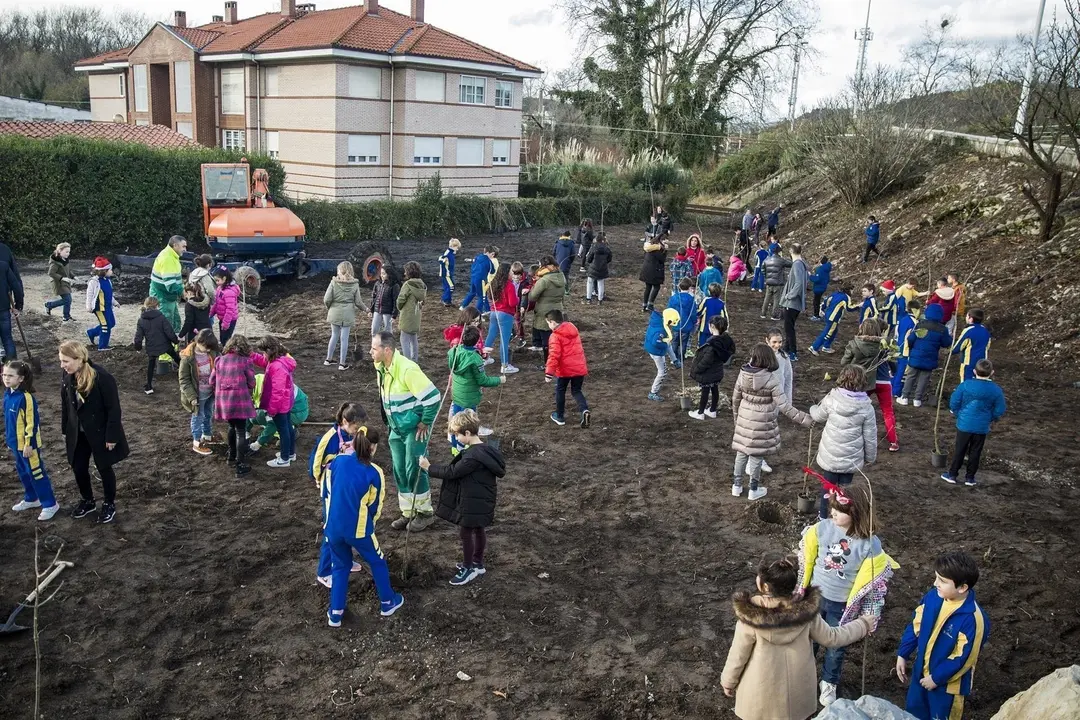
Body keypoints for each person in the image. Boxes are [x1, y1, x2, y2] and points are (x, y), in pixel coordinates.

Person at [720, 553, 875, 720]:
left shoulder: (750, 620)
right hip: (797, 697)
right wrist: (863, 624)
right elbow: (833, 637)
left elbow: (738, 656)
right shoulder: (807, 615)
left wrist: (728, 682)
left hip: (760, 698)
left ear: (764, 586)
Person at [798, 483, 896, 707]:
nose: (833, 513)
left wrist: (871, 614)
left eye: (839, 510)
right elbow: (808, 559)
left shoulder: (869, 544)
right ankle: (805, 674)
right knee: (808, 640)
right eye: (832, 508)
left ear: (855, 513)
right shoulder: (822, 528)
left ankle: (829, 682)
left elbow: (874, 583)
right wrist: (800, 590)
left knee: (836, 647)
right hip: (815, 597)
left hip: (842, 605)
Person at [324, 422, 405, 626]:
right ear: (373, 447)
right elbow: (374, 506)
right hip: (358, 529)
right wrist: (370, 526)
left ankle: (335, 613)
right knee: (377, 561)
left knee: (340, 566)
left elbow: (328, 492)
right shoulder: (374, 472)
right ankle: (388, 602)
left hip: (332, 528)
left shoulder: (337, 462)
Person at [896, 551, 989, 720]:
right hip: (920, 676)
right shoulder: (932, 597)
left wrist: (936, 678)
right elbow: (916, 625)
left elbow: (964, 658)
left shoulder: (973, 619)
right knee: (913, 713)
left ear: (962, 587)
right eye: (936, 577)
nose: (935, 583)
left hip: (946, 687)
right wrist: (903, 653)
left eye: (942, 581)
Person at [420, 408, 506, 586]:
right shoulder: (486, 450)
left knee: (465, 532)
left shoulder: (472, 456)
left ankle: (468, 568)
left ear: (467, 433)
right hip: (482, 500)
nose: (456, 439)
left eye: (457, 435)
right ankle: (478, 563)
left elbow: (452, 472)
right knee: (478, 530)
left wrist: (429, 467)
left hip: (472, 502)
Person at [371, 330, 441, 531]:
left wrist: (425, 422)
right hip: (395, 428)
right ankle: (408, 512)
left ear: (387, 350)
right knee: (400, 470)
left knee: (415, 469)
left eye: (374, 348)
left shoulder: (408, 370)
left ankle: (425, 513)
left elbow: (433, 397)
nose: (370, 352)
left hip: (412, 430)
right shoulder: (381, 367)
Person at [58, 341, 129, 523]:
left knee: (104, 468)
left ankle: (109, 503)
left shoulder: (102, 377)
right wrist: (66, 428)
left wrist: (112, 436)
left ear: (79, 359)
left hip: (100, 432)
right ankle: (88, 500)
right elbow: (66, 404)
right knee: (79, 467)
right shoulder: (68, 376)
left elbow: (113, 409)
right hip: (78, 433)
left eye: (66, 361)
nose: (62, 365)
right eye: (61, 361)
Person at [731, 343, 811, 500]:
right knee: (756, 456)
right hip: (762, 422)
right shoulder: (772, 379)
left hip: (744, 419)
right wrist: (806, 419)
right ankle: (753, 490)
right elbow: (784, 406)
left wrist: (736, 419)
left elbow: (735, 399)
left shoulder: (743, 374)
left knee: (741, 453)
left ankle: (737, 486)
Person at [809, 365, 877, 517]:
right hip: (851, 458)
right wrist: (870, 457)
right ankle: (843, 518)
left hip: (830, 455)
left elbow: (818, 416)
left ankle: (824, 517)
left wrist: (813, 408)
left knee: (828, 488)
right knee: (846, 490)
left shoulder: (831, 399)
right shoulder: (866, 407)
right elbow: (870, 436)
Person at [311, 402, 361, 588]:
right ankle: (324, 572)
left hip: (346, 488)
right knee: (332, 530)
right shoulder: (330, 437)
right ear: (345, 421)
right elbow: (316, 461)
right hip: (331, 488)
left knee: (347, 525)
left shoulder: (353, 434)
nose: (358, 430)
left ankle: (345, 562)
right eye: (356, 426)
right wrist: (318, 479)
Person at [4, 361, 59, 521]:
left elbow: (32, 423)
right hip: (15, 444)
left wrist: (29, 444)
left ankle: (50, 504)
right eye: (4, 374)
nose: (6, 378)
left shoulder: (26, 398)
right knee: (23, 471)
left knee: (36, 473)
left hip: (28, 446)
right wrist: (11, 441)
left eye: (10, 375)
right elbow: (10, 421)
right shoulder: (8, 394)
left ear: (21, 378)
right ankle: (32, 498)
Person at [942, 359, 1006, 487]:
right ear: (992, 372)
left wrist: (957, 413)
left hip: (964, 424)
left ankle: (952, 474)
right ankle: (970, 478)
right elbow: (1000, 409)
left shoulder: (965, 385)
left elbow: (954, 401)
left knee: (959, 449)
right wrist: (991, 418)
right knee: (976, 451)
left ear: (974, 371)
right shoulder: (996, 390)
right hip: (981, 426)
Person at [841, 319, 900, 453]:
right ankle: (893, 442)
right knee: (887, 412)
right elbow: (894, 364)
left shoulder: (854, 344)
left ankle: (852, 438)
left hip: (863, 382)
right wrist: (893, 372)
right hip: (883, 382)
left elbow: (844, 363)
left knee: (856, 410)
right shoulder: (885, 345)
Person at [448, 325, 506, 454]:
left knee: (456, 420)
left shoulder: (454, 351)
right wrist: (499, 380)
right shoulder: (475, 359)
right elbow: (483, 380)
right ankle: (465, 449)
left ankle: (455, 447)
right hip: (469, 398)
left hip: (457, 394)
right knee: (468, 424)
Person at [212, 334, 257, 477]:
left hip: (224, 401)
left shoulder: (219, 360)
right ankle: (240, 464)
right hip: (240, 401)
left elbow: (212, 380)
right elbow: (252, 383)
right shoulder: (245, 361)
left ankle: (231, 456)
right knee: (240, 431)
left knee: (231, 427)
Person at [251, 336, 297, 468]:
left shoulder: (276, 367)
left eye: (263, 353)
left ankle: (284, 459)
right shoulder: (280, 360)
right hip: (286, 403)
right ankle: (290, 453)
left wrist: (272, 409)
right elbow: (264, 362)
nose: (262, 355)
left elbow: (277, 392)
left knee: (283, 430)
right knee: (288, 427)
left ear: (269, 351)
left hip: (279, 406)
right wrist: (252, 355)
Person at [898, 303, 951, 407]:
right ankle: (917, 399)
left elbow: (911, 339)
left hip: (916, 355)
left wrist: (911, 348)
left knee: (911, 376)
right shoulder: (942, 329)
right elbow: (946, 343)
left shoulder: (920, 324)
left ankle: (904, 397)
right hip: (930, 357)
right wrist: (950, 338)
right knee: (924, 378)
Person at [544, 309, 590, 427]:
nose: (548, 326)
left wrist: (549, 372)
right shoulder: (572, 328)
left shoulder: (555, 336)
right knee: (576, 391)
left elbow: (554, 355)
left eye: (548, 323)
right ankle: (584, 410)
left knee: (560, 390)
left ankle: (559, 416)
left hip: (565, 370)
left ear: (553, 322)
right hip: (579, 367)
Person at [178, 329, 220, 457]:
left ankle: (207, 436)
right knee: (198, 416)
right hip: (197, 395)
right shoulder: (188, 358)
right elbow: (184, 380)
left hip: (210, 392)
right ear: (199, 342)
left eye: (209, 348)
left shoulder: (213, 353)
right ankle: (197, 442)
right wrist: (192, 397)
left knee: (208, 413)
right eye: (205, 347)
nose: (207, 350)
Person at [248, 374, 309, 454]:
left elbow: (272, 421)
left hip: (297, 412)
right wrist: (245, 433)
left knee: (259, 416)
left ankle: (290, 435)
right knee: (254, 413)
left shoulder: (267, 392)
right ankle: (289, 431)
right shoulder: (258, 381)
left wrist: (258, 443)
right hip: (292, 408)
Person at [689, 315, 735, 420]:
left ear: (712, 326)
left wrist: (697, 369)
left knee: (705, 391)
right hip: (718, 372)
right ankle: (712, 410)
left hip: (708, 373)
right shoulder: (726, 341)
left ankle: (700, 413)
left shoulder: (712, 344)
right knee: (715, 389)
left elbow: (706, 361)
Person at [322, 261, 365, 370]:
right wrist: (366, 309)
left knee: (334, 335)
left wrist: (330, 308)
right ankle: (342, 364)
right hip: (348, 313)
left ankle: (328, 359)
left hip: (334, 311)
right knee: (344, 339)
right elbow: (358, 302)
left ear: (339, 271)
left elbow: (327, 299)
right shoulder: (355, 284)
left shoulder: (333, 283)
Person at [134, 297, 180, 395]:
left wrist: (138, 347)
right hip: (165, 345)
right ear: (157, 306)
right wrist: (175, 341)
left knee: (151, 365)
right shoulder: (161, 317)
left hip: (151, 347)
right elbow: (169, 331)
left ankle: (149, 386)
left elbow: (138, 336)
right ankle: (184, 372)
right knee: (176, 357)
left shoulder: (141, 320)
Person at [525, 256, 565, 362]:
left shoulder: (544, 281)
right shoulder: (562, 277)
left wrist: (532, 287)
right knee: (556, 336)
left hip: (544, 311)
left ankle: (549, 362)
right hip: (557, 309)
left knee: (546, 339)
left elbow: (532, 296)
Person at [483, 263, 518, 374]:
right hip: (505, 314)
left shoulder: (494, 283)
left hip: (493, 313)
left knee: (491, 335)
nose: (512, 274)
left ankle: (484, 358)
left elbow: (489, 297)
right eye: (511, 272)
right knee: (504, 340)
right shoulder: (509, 285)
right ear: (507, 273)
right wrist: (517, 298)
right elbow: (512, 303)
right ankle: (505, 365)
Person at [779, 243, 810, 361]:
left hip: (792, 303)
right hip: (795, 303)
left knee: (789, 328)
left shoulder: (797, 265)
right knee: (789, 326)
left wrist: (789, 295)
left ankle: (793, 352)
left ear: (791, 251)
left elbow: (799, 283)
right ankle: (787, 349)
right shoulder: (802, 264)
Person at [151, 235, 186, 334]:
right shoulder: (168, 259)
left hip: (167, 296)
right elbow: (170, 285)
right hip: (164, 297)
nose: (185, 249)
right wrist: (183, 293)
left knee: (175, 321)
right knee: (166, 323)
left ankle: (174, 342)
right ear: (175, 245)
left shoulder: (171, 255)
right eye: (183, 246)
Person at [644, 308, 680, 402]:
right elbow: (656, 342)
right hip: (656, 351)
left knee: (668, 344)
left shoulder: (658, 322)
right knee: (662, 372)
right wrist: (664, 344)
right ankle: (653, 392)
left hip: (651, 347)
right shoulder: (661, 330)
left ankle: (675, 360)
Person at [809, 284, 853, 356]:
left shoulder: (835, 294)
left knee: (834, 331)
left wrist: (822, 309)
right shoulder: (846, 297)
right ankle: (814, 347)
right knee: (827, 333)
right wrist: (859, 306)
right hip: (834, 318)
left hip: (828, 315)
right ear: (849, 290)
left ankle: (826, 346)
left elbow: (826, 301)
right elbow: (849, 308)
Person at [84, 257, 118, 351]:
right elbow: (90, 294)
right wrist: (89, 306)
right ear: (104, 271)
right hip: (100, 308)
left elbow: (109, 294)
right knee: (105, 326)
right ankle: (102, 346)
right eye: (110, 270)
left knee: (112, 323)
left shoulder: (108, 280)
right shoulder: (94, 282)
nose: (112, 271)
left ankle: (91, 332)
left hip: (108, 307)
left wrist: (114, 302)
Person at [396, 261, 426, 362]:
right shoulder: (422, 285)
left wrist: (399, 307)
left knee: (404, 339)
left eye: (405, 271)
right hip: (416, 314)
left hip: (407, 314)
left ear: (409, 272)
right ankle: (414, 360)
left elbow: (401, 299)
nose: (404, 273)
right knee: (414, 338)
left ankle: (407, 361)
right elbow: (423, 300)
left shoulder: (408, 285)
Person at [951, 308, 991, 383]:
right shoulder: (985, 331)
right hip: (982, 363)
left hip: (968, 363)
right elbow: (987, 346)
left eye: (967, 316)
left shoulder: (969, 330)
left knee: (966, 383)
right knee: (980, 382)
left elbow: (960, 345)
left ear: (971, 319)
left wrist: (951, 351)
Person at [892, 299, 920, 397]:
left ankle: (893, 388)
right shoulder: (915, 323)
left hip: (899, 347)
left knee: (898, 369)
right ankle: (897, 391)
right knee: (903, 372)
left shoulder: (903, 319)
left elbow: (897, 333)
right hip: (906, 350)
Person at [666, 278, 699, 363]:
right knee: (684, 343)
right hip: (686, 325)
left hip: (676, 324)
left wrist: (669, 321)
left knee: (675, 341)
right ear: (689, 288)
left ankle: (674, 359)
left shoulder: (674, 298)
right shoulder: (691, 300)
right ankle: (681, 359)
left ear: (679, 287)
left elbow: (669, 310)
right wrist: (695, 321)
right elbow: (693, 313)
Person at [209, 266, 241, 346]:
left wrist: (226, 323)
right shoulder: (220, 288)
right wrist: (211, 313)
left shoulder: (229, 292)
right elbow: (216, 303)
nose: (216, 282)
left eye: (217, 280)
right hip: (222, 318)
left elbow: (230, 309)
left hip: (229, 320)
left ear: (224, 278)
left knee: (226, 339)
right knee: (222, 337)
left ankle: (227, 354)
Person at [460, 246, 496, 313]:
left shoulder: (478, 257)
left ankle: (463, 306)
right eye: (492, 254)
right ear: (488, 253)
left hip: (473, 278)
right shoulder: (489, 262)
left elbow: (474, 260)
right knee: (482, 296)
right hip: (481, 281)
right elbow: (492, 271)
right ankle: (478, 312)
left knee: (472, 292)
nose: (493, 256)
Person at [45, 242, 75, 321]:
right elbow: (51, 273)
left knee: (68, 300)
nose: (68, 254)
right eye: (66, 252)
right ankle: (50, 305)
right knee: (67, 300)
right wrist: (62, 278)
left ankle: (66, 315)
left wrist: (73, 276)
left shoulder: (65, 259)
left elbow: (68, 270)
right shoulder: (55, 262)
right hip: (58, 284)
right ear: (59, 251)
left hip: (65, 283)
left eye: (69, 252)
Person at [760, 243, 790, 320]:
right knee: (776, 300)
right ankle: (774, 315)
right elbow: (790, 264)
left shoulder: (766, 260)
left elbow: (762, 269)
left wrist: (766, 277)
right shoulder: (781, 260)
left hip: (769, 282)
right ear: (779, 252)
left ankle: (763, 313)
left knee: (767, 298)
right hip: (778, 283)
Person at [639, 234, 668, 311]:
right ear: (661, 240)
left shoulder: (649, 246)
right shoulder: (659, 248)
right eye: (665, 240)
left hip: (646, 270)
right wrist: (665, 250)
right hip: (655, 271)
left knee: (648, 287)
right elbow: (662, 259)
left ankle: (644, 305)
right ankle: (650, 304)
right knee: (656, 287)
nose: (666, 241)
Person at [178, 280, 212, 346]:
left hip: (196, 333)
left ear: (189, 293)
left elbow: (188, 321)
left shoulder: (189, 304)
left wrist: (181, 335)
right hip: (208, 330)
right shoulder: (206, 301)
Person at [369, 266, 399, 337]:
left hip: (387, 312)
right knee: (374, 330)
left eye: (384, 273)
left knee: (388, 331)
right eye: (381, 273)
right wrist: (371, 310)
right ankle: (375, 346)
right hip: (377, 310)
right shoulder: (377, 284)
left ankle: (389, 346)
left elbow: (396, 301)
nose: (382, 275)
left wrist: (394, 315)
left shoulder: (394, 285)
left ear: (389, 274)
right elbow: (374, 297)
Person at [697, 282, 728, 347]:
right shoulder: (721, 303)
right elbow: (725, 317)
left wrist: (696, 317)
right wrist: (725, 328)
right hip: (716, 329)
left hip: (704, 328)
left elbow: (699, 311)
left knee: (702, 345)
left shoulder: (706, 300)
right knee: (714, 345)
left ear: (709, 292)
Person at [584, 232, 612, 304]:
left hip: (593, 267)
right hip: (603, 268)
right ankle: (600, 300)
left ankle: (588, 299)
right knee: (601, 283)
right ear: (603, 240)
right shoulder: (607, 248)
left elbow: (589, 258)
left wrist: (590, 262)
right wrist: (604, 263)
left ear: (596, 240)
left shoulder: (593, 247)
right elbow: (609, 258)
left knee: (590, 282)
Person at [439, 238, 461, 307]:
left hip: (448, 273)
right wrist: (443, 261)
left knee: (448, 287)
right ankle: (445, 299)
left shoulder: (450, 252)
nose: (457, 249)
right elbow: (440, 259)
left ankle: (448, 301)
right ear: (452, 246)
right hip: (446, 274)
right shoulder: (448, 253)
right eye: (457, 247)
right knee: (451, 287)